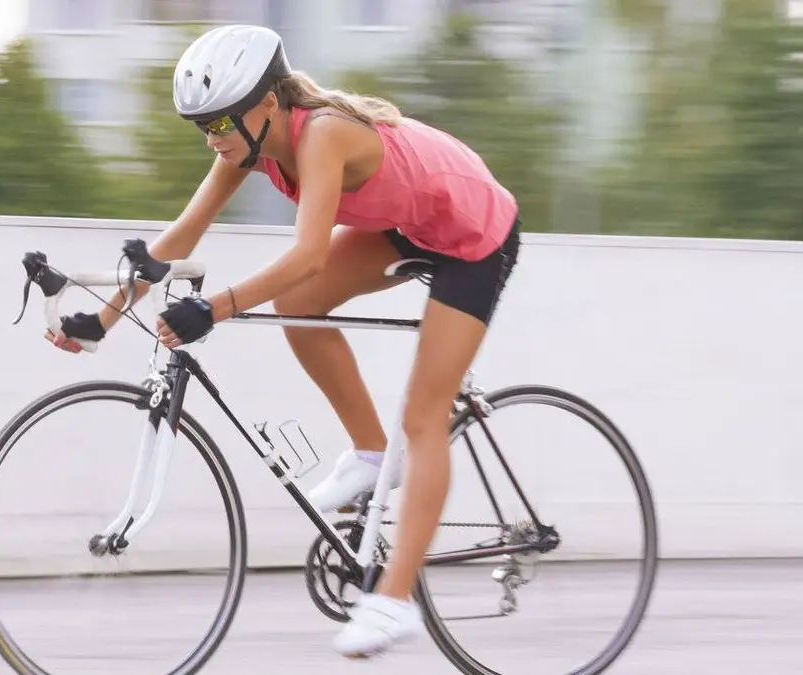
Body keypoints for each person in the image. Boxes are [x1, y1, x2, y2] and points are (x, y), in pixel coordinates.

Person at [45, 24, 522, 659]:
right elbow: (181, 236)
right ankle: (372, 456)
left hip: (472, 237)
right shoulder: (249, 146)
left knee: (423, 414)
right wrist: (100, 323)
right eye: (203, 128)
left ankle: (394, 602)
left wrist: (214, 307)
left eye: (220, 123)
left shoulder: (321, 134)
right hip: (410, 227)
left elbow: (304, 255)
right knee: (300, 306)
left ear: (268, 102)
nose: (213, 139)